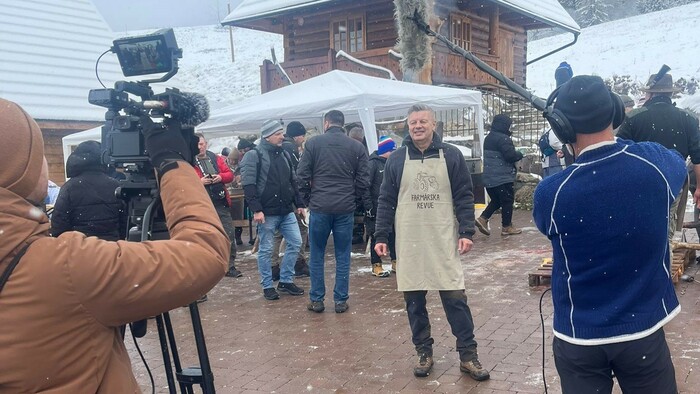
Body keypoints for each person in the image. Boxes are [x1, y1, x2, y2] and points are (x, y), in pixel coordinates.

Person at [0, 98, 228, 392]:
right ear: (17, 171)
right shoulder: (65, 269)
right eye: (39, 154)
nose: (44, 165)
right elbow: (206, 253)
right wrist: (172, 163)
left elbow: (60, 226)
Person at [534, 75, 685, 393]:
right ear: (616, 114)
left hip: (579, 337)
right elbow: (675, 164)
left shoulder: (551, 192)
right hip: (642, 331)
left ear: (562, 128)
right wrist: (618, 145)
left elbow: (547, 227)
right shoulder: (654, 166)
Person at [374, 104, 490, 381]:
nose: (417, 126)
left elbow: (463, 195)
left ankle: (468, 355)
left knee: (455, 299)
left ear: (434, 124)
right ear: (408, 126)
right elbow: (386, 200)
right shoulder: (396, 159)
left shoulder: (451, 155)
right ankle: (423, 352)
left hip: (442, 238)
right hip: (409, 239)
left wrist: (466, 231)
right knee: (414, 301)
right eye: (413, 122)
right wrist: (380, 235)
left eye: (423, 121)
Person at [297, 110, 372, 314]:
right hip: (344, 208)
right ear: (342, 124)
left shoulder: (313, 144)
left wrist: (308, 200)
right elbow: (364, 179)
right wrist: (353, 198)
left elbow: (301, 175)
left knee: (317, 253)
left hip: (320, 205)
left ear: (326, 123)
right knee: (342, 254)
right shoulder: (356, 146)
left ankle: (317, 299)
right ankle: (340, 300)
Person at [617, 72, 700, 239]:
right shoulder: (688, 118)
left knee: (640, 228)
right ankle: (663, 256)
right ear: (670, 93)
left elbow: (620, 153)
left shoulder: (634, 118)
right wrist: (699, 187)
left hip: (641, 181)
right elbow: (698, 157)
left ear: (650, 93)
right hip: (674, 179)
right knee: (666, 228)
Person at [239, 120, 306, 300]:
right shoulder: (254, 155)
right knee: (266, 250)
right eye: (278, 134)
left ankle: (285, 280)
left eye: (282, 133)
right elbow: (249, 184)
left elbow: (293, 181)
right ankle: (267, 285)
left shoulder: (283, 153)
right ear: (267, 136)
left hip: (286, 210)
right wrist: (256, 209)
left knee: (296, 242)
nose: (282, 136)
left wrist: (299, 204)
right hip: (266, 212)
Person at [51, 140, 127, 241]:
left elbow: (59, 223)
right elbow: (124, 221)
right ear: (103, 159)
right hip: (110, 248)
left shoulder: (69, 188)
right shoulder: (115, 186)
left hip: (80, 249)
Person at [194, 133, 241, 278]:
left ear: (206, 143)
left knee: (228, 233)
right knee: (203, 237)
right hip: (201, 205)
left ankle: (229, 266)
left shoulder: (215, 158)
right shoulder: (188, 161)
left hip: (220, 203)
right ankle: (205, 267)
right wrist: (199, 182)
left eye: (202, 144)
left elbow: (229, 175)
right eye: (197, 144)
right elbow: (184, 181)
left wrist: (220, 177)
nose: (200, 147)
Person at [271, 121, 310, 279]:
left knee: (278, 232)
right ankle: (297, 263)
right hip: (291, 197)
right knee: (298, 229)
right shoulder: (290, 148)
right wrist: (300, 200)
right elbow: (297, 175)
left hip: (281, 196)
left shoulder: (283, 147)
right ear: (298, 136)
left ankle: (274, 266)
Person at [475, 114, 523, 236]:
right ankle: (507, 227)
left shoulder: (489, 138)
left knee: (496, 200)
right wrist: (520, 154)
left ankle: (483, 219)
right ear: (504, 125)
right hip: (502, 177)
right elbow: (510, 156)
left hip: (489, 177)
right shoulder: (503, 138)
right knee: (507, 200)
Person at [366, 135, 397, 277]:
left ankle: (395, 261)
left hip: (391, 206)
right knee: (376, 235)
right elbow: (365, 186)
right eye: (392, 150)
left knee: (394, 235)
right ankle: (376, 265)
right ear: (386, 150)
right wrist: (368, 206)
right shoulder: (373, 164)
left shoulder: (391, 163)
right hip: (375, 206)